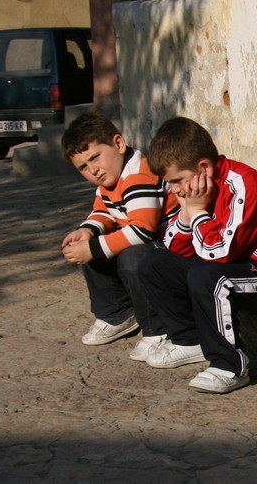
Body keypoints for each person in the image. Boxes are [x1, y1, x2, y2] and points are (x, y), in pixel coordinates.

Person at [139, 117, 257, 394]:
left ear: (204, 167)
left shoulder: (244, 186)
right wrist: (187, 212)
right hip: (234, 264)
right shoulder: (198, 191)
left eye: (177, 181)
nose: (175, 190)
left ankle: (230, 365)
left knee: (206, 275)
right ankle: (189, 340)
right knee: (155, 262)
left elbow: (218, 253)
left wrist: (196, 212)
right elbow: (175, 248)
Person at [60, 110, 179, 357]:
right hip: (153, 247)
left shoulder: (138, 175)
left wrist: (93, 248)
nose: (93, 170)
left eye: (95, 157)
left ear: (118, 143)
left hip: (175, 251)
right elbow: (103, 211)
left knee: (132, 257)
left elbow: (142, 230)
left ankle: (158, 328)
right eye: (83, 167)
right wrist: (86, 231)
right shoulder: (111, 180)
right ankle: (118, 313)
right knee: (93, 241)